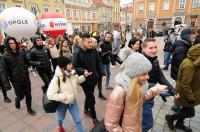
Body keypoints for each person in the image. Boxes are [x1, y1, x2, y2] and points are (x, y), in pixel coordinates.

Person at [104, 52, 167, 131]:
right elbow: (111, 124)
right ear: (134, 74)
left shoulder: (137, 85)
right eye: (144, 74)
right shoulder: (119, 92)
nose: (148, 77)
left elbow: (141, 98)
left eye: (147, 73)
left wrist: (155, 90)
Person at [142, 38, 176, 132]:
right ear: (143, 49)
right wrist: (156, 87)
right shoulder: (139, 62)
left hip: (151, 95)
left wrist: (173, 91)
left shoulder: (154, 60)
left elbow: (161, 77)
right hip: (142, 98)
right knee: (146, 124)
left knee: (145, 123)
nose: (154, 50)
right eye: (151, 48)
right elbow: (136, 84)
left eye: (155, 47)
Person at [72, 33, 106, 126]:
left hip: (94, 77)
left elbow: (98, 62)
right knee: (92, 98)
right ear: (83, 42)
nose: (91, 44)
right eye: (88, 42)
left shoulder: (94, 50)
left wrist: (102, 73)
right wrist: (84, 71)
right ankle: (94, 118)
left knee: (89, 95)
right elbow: (74, 66)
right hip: (84, 79)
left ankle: (86, 109)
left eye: (91, 41)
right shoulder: (77, 52)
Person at [47, 56, 87, 132]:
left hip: (73, 102)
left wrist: (84, 76)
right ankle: (59, 126)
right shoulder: (57, 78)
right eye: (69, 64)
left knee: (78, 119)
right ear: (64, 66)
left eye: (71, 63)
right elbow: (50, 95)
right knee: (60, 117)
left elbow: (77, 80)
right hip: (62, 103)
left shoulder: (72, 73)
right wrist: (64, 97)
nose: (71, 65)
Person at [165, 44, 200, 132]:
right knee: (190, 112)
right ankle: (170, 118)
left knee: (185, 109)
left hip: (189, 91)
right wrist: (191, 98)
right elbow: (185, 84)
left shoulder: (193, 62)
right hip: (186, 93)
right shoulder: (190, 65)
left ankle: (179, 124)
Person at [1, 37, 36, 116]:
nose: (13, 44)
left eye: (14, 43)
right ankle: (17, 100)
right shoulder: (4, 56)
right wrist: (6, 84)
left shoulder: (21, 52)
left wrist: (36, 63)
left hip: (25, 77)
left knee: (28, 94)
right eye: (10, 43)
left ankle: (29, 108)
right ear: (7, 44)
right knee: (21, 96)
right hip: (16, 80)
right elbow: (3, 71)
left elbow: (27, 62)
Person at [170, 28, 196, 112]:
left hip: (181, 73)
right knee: (179, 90)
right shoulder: (181, 47)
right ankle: (176, 105)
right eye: (192, 34)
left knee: (179, 90)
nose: (195, 35)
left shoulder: (186, 44)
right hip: (179, 73)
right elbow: (181, 63)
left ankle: (176, 104)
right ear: (187, 36)